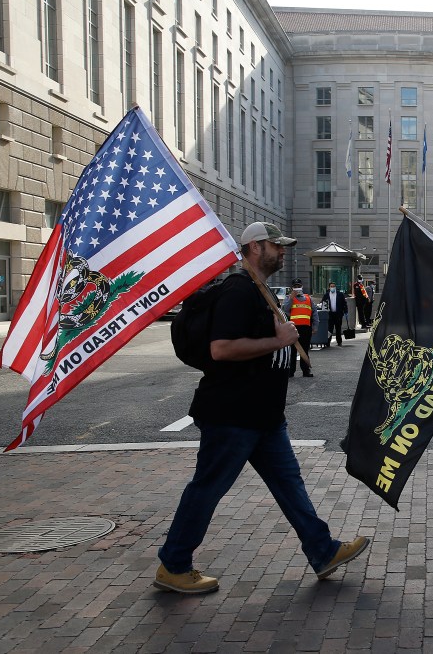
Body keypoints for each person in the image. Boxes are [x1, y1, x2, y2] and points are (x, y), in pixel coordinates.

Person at [154, 222, 369, 595]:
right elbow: (221, 349)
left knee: (289, 484)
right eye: (276, 246)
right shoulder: (239, 290)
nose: (282, 252)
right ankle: (174, 565)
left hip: (263, 415)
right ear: (254, 247)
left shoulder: (259, 289)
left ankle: (323, 551)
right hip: (233, 413)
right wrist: (278, 340)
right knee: (207, 488)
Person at [282, 277, 316, 377]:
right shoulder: (289, 298)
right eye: (295, 286)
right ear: (292, 288)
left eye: (299, 286)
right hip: (293, 328)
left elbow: (314, 313)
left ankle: (306, 371)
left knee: (304, 350)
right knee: (292, 350)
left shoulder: (308, 298)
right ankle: (291, 371)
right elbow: (285, 310)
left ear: (302, 287)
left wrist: (315, 326)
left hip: (306, 328)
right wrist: (291, 298)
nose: (297, 288)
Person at [321, 282, 347, 346]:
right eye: (331, 286)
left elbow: (344, 303)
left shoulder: (340, 294)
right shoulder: (326, 295)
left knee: (338, 328)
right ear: (329, 287)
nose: (332, 287)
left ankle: (339, 341)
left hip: (338, 314)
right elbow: (323, 303)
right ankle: (328, 342)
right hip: (330, 314)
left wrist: (345, 311)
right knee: (330, 329)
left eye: (333, 286)